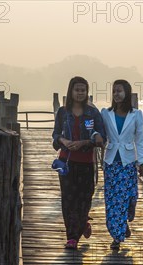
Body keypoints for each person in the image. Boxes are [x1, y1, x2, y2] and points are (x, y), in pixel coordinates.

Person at [52, 76, 104, 250]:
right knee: (68, 200)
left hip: (86, 163)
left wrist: (84, 142)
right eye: (77, 90)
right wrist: (64, 141)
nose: (80, 93)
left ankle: (82, 224)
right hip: (65, 162)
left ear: (87, 92)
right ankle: (72, 237)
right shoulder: (62, 112)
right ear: (71, 91)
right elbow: (55, 135)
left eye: (83, 90)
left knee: (84, 199)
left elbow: (101, 137)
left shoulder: (93, 113)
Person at [93, 80, 143, 250]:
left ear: (127, 93)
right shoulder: (105, 113)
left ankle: (124, 220)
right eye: (114, 91)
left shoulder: (136, 114)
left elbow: (140, 139)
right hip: (111, 162)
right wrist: (95, 135)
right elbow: (99, 131)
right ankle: (117, 235)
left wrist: (142, 162)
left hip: (129, 161)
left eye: (120, 91)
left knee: (130, 197)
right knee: (113, 200)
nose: (116, 94)